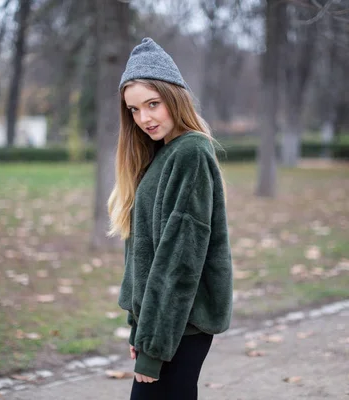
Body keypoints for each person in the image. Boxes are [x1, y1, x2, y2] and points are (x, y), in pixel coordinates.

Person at [107, 37, 233, 400]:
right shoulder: (161, 155)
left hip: (180, 325)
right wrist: (139, 330)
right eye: (134, 109)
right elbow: (143, 255)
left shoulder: (190, 152)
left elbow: (178, 261)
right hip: (163, 326)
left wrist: (153, 347)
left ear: (174, 97)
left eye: (152, 104)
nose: (143, 118)